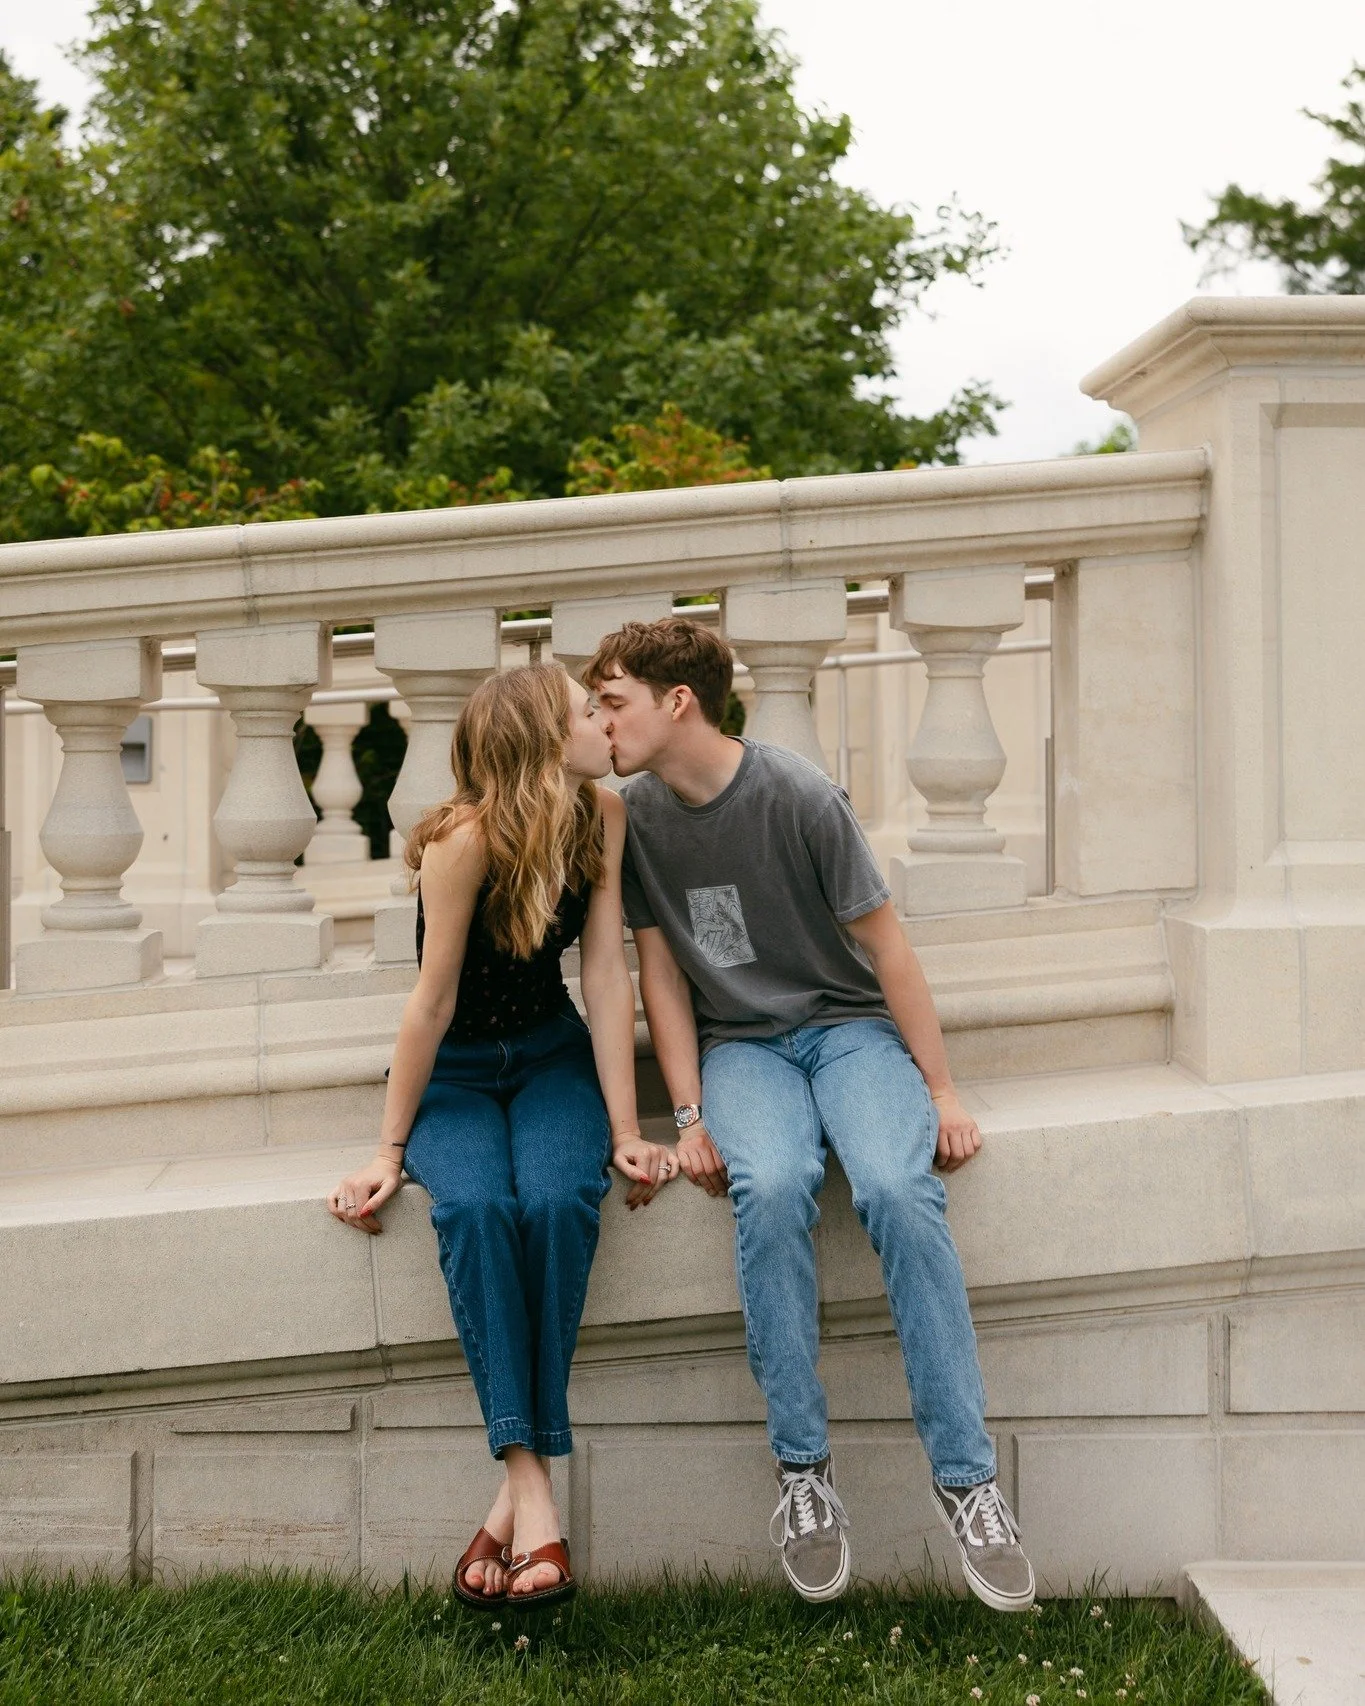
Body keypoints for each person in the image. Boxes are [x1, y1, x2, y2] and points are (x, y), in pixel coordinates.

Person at [584, 617, 1035, 1613]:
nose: (599, 721)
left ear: (678, 701)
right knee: (775, 1182)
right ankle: (804, 1474)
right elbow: (657, 965)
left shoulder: (796, 794)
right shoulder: (638, 815)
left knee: (893, 1186)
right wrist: (690, 1110)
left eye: (612, 700)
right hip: (742, 1051)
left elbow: (888, 948)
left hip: (847, 1032)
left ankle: (968, 1481)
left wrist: (944, 1088)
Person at [328, 664, 675, 1610]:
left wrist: (624, 1127)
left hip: (551, 1058)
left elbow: (605, 977)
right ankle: (534, 1492)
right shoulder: (463, 843)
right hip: (459, 1077)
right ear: (536, 740)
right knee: (478, 1210)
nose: (602, 725)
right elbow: (430, 1002)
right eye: (582, 714)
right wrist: (389, 1151)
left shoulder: (600, 817)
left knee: (562, 1198)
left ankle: (511, 1501)